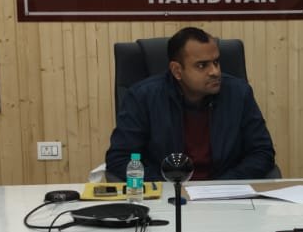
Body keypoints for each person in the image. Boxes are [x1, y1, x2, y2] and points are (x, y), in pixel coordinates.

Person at [104, 27, 276, 181]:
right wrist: (170, 186)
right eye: (202, 65)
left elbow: (262, 152)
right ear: (177, 71)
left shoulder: (239, 93)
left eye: (216, 62)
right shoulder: (142, 97)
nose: (215, 72)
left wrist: (223, 184)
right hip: (166, 195)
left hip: (225, 193)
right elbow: (120, 158)